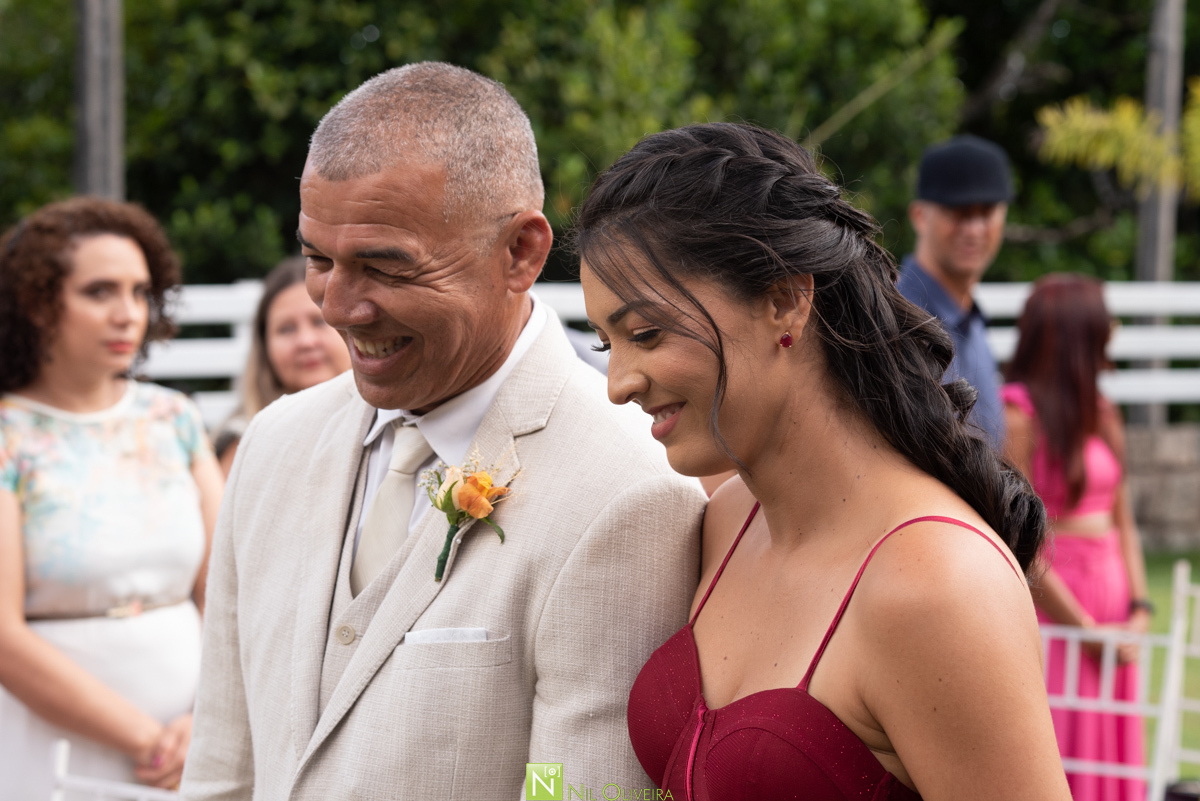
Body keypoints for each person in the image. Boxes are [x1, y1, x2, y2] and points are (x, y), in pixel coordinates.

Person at [180, 63, 704, 800]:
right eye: (317, 258)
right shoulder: (272, 445)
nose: (338, 306)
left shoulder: (630, 489)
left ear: (520, 252)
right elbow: (222, 769)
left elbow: (582, 789)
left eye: (383, 266)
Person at [577, 123, 1070, 800]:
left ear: (786, 297)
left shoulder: (937, 586)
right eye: (608, 345)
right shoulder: (726, 520)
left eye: (646, 333)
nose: (619, 382)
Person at [0, 198, 223, 797]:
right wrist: (148, 741)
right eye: (100, 292)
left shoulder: (172, 417)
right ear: (38, 301)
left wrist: (207, 722)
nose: (129, 314)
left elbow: (231, 589)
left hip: (196, 742)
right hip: (50, 749)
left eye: (139, 292)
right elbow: (2, 634)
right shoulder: (7, 436)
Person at [1002, 274, 1149, 801]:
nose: (1111, 332)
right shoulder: (1019, 415)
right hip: (1061, 620)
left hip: (1113, 621)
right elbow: (1020, 542)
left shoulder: (1103, 414)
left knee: (1113, 755)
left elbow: (1122, 520)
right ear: (1076, 334)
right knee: (1065, 754)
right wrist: (1085, 629)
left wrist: (1140, 605)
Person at [898, 135, 1012, 446]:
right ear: (920, 216)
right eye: (958, 213)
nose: (974, 229)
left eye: (986, 212)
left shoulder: (971, 319)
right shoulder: (898, 318)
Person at [213, 257, 351, 475]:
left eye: (319, 321)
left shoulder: (390, 428)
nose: (306, 341)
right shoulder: (243, 442)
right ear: (264, 345)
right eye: (286, 329)